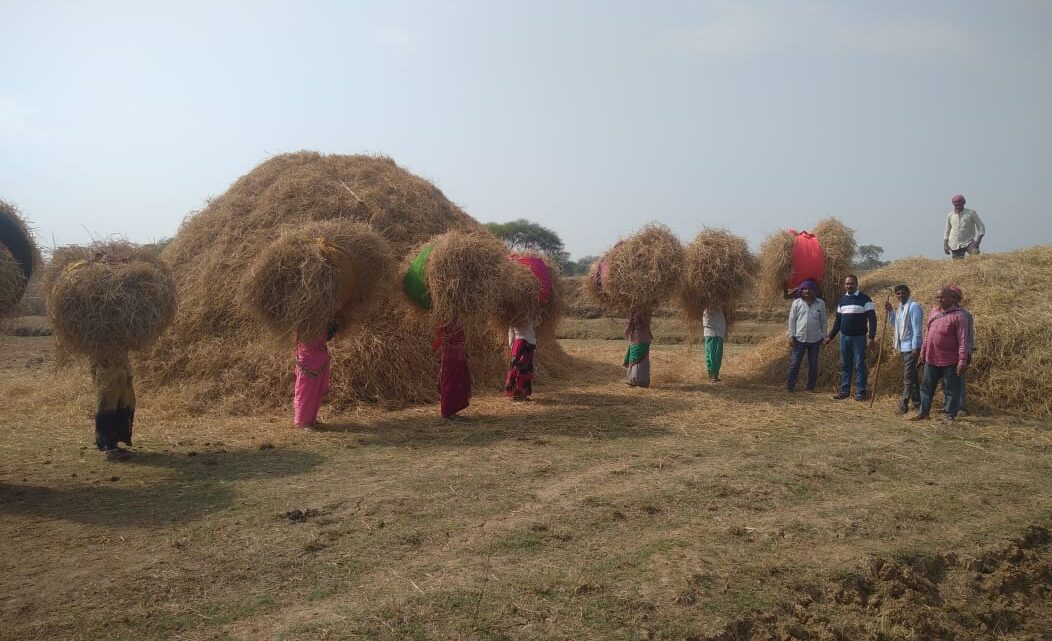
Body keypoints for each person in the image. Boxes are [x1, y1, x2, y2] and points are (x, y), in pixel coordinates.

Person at [910, 287, 969, 422]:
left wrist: (962, 361)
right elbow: (927, 335)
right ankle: (924, 413)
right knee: (926, 387)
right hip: (931, 358)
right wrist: (923, 353)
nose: (939, 300)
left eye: (942, 297)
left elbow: (963, 340)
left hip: (950, 361)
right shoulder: (933, 312)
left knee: (951, 389)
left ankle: (950, 416)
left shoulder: (959, 316)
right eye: (937, 297)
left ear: (951, 298)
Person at [824, 275, 877, 401]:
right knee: (845, 364)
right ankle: (844, 391)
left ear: (857, 284)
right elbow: (838, 321)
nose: (849, 286)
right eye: (847, 284)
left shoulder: (865, 299)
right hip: (844, 337)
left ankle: (861, 392)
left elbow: (872, 319)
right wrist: (830, 337)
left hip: (859, 338)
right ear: (844, 285)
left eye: (851, 283)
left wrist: (871, 337)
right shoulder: (842, 300)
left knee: (859, 365)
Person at [883, 284, 924, 414]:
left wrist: (915, 347)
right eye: (898, 294)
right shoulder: (901, 308)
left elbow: (917, 329)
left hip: (911, 348)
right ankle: (917, 403)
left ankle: (903, 405)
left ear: (908, 293)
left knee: (907, 377)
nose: (900, 296)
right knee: (913, 376)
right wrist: (890, 311)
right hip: (903, 347)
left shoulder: (914, 307)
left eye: (902, 293)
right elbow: (896, 325)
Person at [293, 324, 337, 430]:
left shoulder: (323, 320)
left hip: (320, 358)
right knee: (305, 391)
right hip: (307, 358)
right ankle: (302, 422)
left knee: (316, 391)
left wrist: (333, 327)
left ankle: (311, 419)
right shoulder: (305, 321)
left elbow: (327, 337)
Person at [92, 355, 135, 461]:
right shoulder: (99, 345)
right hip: (106, 372)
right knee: (107, 409)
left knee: (123, 407)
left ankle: (114, 444)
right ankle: (110, 450)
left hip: (120, 369)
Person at [786, 279, 826, 392]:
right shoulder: (797, 303)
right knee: (795, 363)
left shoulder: (820, 303)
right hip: (799, 339)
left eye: (810, 289)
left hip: (815, 340)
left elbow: (823, 321)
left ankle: (810, 387)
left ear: (814, 291)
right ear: (801, 290)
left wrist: (824, 336)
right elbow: (792, 320)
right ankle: (790, 386)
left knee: (813, 364)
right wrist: (791, 336)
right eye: (805, 289)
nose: (807, 291)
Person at [437, 323, 471, 418]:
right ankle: (447, 411)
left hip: (458, 357)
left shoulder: (457, 324)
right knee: (450, 383)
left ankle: (452, 410)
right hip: (451, 358)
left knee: (456, 383)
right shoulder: (444, 325)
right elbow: (438, 342)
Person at [949, 286, 974, 415]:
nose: (952, 299)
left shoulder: (965, 314)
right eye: (950, 296)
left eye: (955, 297)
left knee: (959, 381)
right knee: (947, 381)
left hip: (960, 353)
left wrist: (968, 353)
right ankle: (949, 405)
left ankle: (961, 407)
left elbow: (969, 336)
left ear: (959, 299)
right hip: (946, 353)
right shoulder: (942, 313)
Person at [505, 317, 537, 401]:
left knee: (522, 368)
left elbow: (511, 331)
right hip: (522, 343)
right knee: (520, 368)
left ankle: (519, 394)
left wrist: (511, 345)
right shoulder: (517, 313)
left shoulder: (530, 313)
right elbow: (511, 330)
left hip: (523, 344)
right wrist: (512, 345)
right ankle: (518, 394)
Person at [944, 195, 985, 259]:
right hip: (955, 244)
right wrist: (945, 245)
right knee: (958, 266)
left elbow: (981, 227)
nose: (958, 206)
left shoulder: (971, 213)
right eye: (956, 205)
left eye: (959, 205)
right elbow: (947, 231)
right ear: (953, 205)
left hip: (968, 242)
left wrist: (978, 241)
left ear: (963, 204)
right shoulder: (950, 216)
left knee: (975, 253)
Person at [624, 309, 652, 387]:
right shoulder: (647, 310)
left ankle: (634, 380)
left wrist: (626, 331)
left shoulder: (634, 311)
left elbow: (628, 325)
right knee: (644, 359)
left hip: (637, 338)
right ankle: (644, 381)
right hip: (646, 338)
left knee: (634, 358)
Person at [703, 306, 726, 383]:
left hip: (719, 332)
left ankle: (715, 375)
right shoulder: (706, 308)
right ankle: (711, 375)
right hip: (710, 333)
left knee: (718, 355)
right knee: (710, 354)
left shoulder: (720, 307)